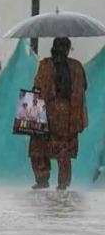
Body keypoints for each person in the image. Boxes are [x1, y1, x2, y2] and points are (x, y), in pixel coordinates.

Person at [29, 37, 88, 191]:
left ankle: (42, 179)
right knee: (64, 148)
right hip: (68, 113)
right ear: (68, 49)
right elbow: (84, 87)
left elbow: (37, 87)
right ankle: (63, 183)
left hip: (46, 109)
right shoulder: (76, 66)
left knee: (39, 144)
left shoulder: (45, 65)